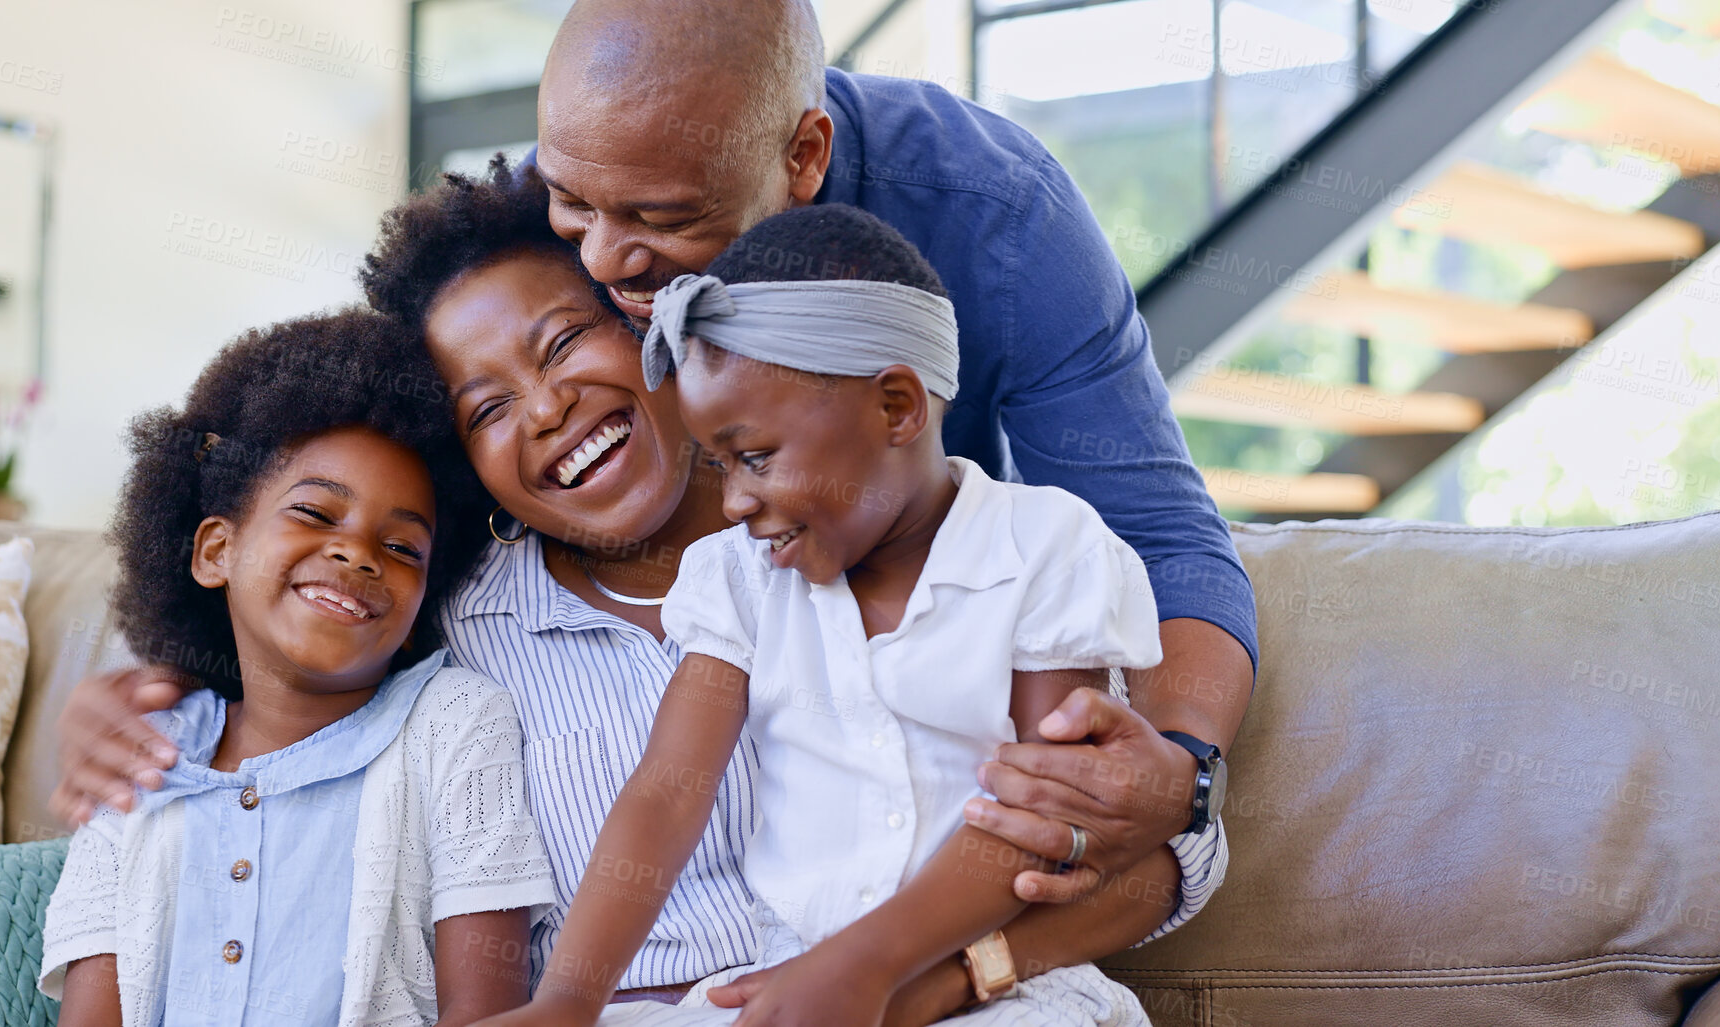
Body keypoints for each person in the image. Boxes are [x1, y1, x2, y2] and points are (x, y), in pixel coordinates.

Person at [51, 163, 1208, 1026]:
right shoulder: (455, 631)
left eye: (563, 344)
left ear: (658, 329)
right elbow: (286, 647)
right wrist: (128, 695)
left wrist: (944, 974)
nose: (545, 409)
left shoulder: (995, 546)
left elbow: (1153, 852)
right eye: (486, 409)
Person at [531, 0, 1255, 907]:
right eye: (569, 202)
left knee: (1160, 867)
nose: (602, 257)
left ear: (804, 155)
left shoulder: (1000, 219)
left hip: (926, 732)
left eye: (662, 216)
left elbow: (1158, 537)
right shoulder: (565, 185)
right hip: (674, 702)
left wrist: (1180, 765)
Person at [489, 204, 1162, 1027]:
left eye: (757, 456)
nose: (732, 500)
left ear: (895, 408)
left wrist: (863, 966)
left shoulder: (1044, 545)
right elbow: (667, 794)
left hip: (993, 985)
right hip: (786, 980)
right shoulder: (736, 578)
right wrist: (569, 996)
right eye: (719, 463)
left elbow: (1040, 810)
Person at [38, 310, 556, 1026]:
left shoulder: (454, 722)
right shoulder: (139, 753)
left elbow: (489, 1009)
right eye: (315, 512)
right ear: (216, 550)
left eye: (403, 547)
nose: (358, 553)